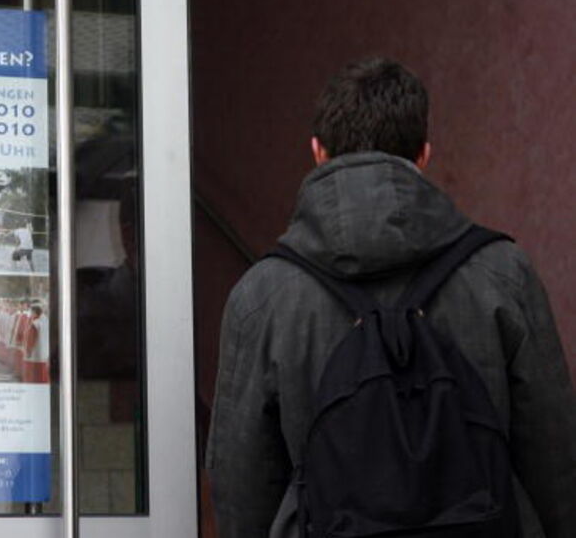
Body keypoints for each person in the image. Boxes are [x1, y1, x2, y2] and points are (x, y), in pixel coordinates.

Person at [206, 58, 576, 538]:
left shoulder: (263, 297)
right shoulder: (503, 273)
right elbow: (553, 453)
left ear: (318, 153)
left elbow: (240, 479)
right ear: (423, 155)